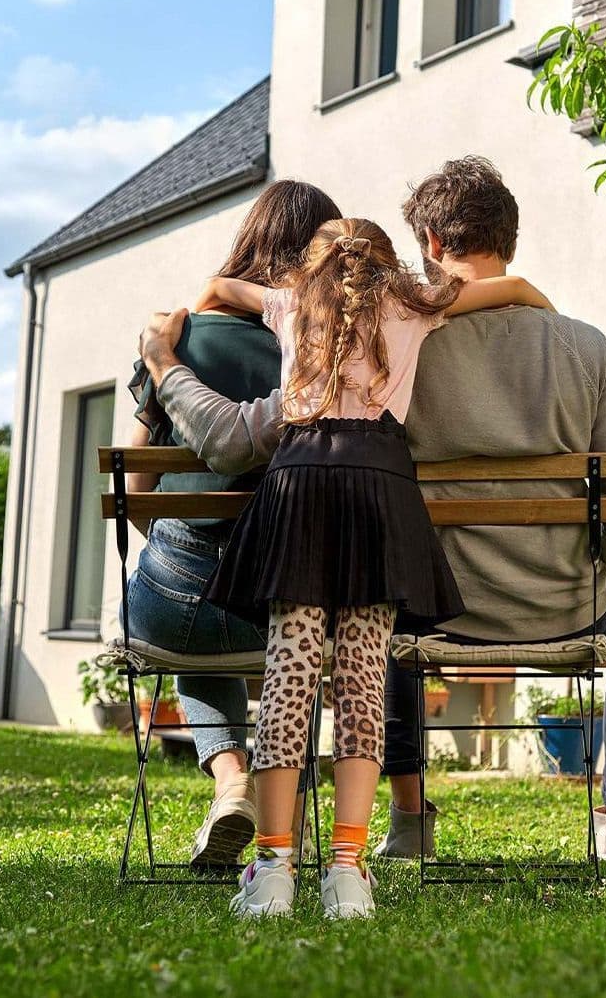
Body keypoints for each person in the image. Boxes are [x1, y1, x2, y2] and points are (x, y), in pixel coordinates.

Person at [138, 157, 606, 865]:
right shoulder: (586, 347)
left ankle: (409, 820)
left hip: (432, 605)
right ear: (509, 237)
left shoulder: (396, 340)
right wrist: (591, 566)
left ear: (432, 244)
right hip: (568, 600)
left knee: (378, 610)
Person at [192, 216, 555, 919]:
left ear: (314, 267)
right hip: (378, 488)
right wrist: (541, 309)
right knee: (362, 682)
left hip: (298, 485)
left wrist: (204, 313)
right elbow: (518, 289)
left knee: (290, 675)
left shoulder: (290, 303)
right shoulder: (415, 302)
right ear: (385, 265)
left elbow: (216, 289)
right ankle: (348, 871)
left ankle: (274, 870)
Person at [118, 179, 340, 870]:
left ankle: (232, 781)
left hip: (169, 609)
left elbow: (135, 490)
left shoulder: (179, 338)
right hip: (279, 610)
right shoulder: (326, 353)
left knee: (191, 616)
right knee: (297, 613)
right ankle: (283, 809)